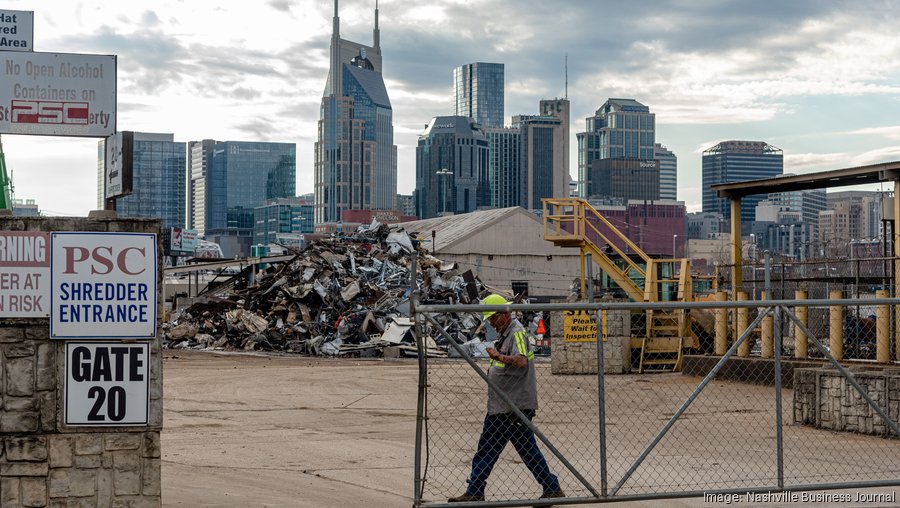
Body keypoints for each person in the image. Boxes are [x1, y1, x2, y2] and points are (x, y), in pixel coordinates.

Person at [449, 294, 564, 503]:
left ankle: (475, 490)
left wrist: (499, 357)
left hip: (512, 406)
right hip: (505, 404)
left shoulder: (516, 333)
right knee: (521, 450)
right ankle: (551, 487)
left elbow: (521, 361)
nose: (492, 323)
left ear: (504, 314)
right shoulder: (506, 334)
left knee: (490, 449)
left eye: (494, 318)